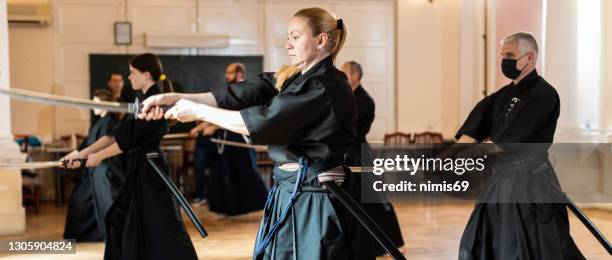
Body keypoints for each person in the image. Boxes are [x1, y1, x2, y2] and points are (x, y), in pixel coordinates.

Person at [139, 7, 357, 259]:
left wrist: (197, 111)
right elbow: (240, 94)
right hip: (290, 193)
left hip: (315, 200)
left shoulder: (326, 86)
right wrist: (176, 98)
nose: (288, 44)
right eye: (288, 37)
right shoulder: (295, 79)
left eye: (295, 37)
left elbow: (262, 122)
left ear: (321, 40)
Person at [455, 32, 584, 259]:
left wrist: (475, 153)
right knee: (486, 243)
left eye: (511, 55)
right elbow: (478, 122)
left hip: (531, 184)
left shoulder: (544, 94)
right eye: (503, 55)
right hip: (500, 183)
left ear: (530, 57)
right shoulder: (503, 95)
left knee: (531, 247)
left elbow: (508, 140)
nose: (505, 61)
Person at [64, 53, 197, 260]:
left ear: (146, 75)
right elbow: (114, 135)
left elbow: (125, 142)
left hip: (152, 173)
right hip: (140, 170)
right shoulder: (140, 102)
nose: (129, 77)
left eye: (132, 73)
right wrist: (81, 153)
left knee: (159, 225)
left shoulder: (154, 104)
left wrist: (97, 158)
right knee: (128, 223)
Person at [341, 61, 405, 258]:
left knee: (376, 198)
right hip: (349, 154)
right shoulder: (348, 98)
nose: (341, 77)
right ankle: (370, 243)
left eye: (344, 73)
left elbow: (351, 128)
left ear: (355, 75)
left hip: (360, 155)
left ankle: (394, 242)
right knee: (358, 201)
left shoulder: (365, 100)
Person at [190, 62, 268, 216]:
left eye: (230, 73)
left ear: (239, 74)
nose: (226, 76)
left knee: (243, 173)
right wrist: (200, 127)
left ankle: (248, 207)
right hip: (228, 139)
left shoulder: (245, 91)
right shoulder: (233, 91)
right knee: (224, 173)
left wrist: (215, 127)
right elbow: (222, 112)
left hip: (239, 139)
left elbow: (239, 116)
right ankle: (229, 209)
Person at [63, 88, 123, 242]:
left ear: (104, 104)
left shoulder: (111, 123)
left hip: (105, 173)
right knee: (79, 201)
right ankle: (81, 237)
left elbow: (102, 148)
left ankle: (109, 236)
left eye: (95, 103)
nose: (93, 106)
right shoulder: (98, 123)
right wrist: (72, 155)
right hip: (93, 172)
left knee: (97, 204)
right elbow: (86, 144)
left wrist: (80, 157)